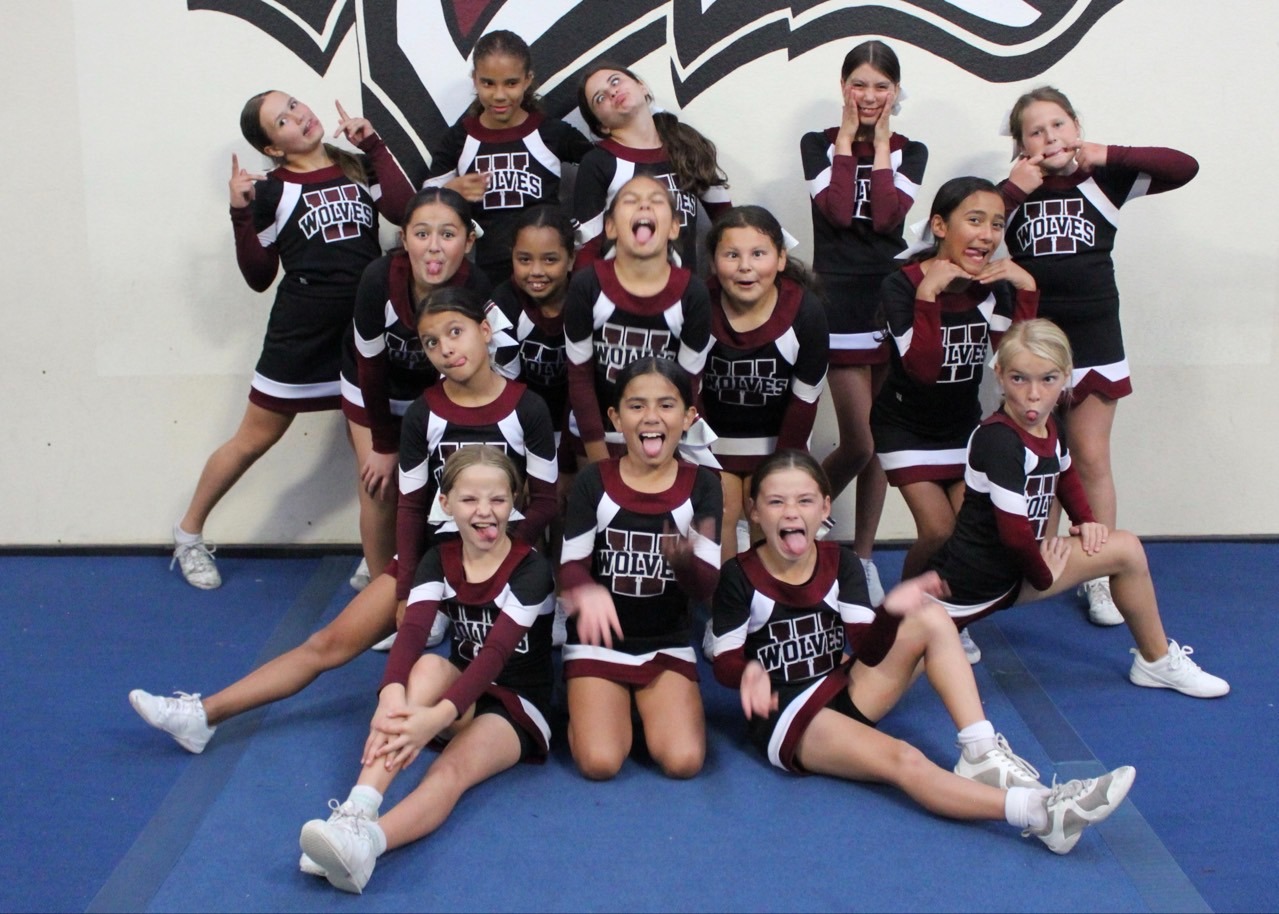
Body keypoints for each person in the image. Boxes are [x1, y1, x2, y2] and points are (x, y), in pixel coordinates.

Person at [129, 289, 558, 753]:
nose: (446, 349)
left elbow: (546, 501)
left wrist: (504, 560)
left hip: (501, 563)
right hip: (437, 560)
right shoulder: (425, 412)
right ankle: (203, 715)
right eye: (431, 342)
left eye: (456, 332)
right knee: (326, 643)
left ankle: (477, 730)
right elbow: (412, 507)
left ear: (485, 331)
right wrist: (405, 586)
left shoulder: (526, 408)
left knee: (491, 666)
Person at [709, 449, 1136, 854]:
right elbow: (726, 662)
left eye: (804, 501)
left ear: (824, 508)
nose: (790, 512)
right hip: (788, 715)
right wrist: (745, 673)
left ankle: (980, 751)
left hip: (839, 685)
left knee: (931, 616)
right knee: (903, 758)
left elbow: (868, 653)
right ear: (755, 512)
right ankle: (1044, 812)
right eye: (776, 502)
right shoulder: (740, 576)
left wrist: (893, 612)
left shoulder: (840, 563)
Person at [171, 92, 413, 590]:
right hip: (301, 333)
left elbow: (406, 210)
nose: (299, 117)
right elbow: (259, 277)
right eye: (282, 120)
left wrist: (375, 146)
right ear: (273, 147)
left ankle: (378, 559)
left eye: (296, 105)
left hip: (362, 332)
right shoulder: (270, 191)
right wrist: (239, 213)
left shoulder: (355, 167)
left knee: (372, 456)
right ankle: (188, 533)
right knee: (253, 439)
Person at [297, 446, 555, 894]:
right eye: (470, 499)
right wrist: (390, 695)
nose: (485, 512)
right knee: (428, 666)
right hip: (461, 689)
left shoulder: (531, 570)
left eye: (497, 499)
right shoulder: (439, 557)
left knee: (449, 773)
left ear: (515, 501)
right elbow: (413, 631)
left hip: (517, 705)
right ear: (446, 503)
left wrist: (435, 718)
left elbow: (494, 654)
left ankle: (368, 846)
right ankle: (360, 807)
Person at [927, 319, 1229, 698]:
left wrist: (1086, 520)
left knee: (1127, 550)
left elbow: (1066, 474)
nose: (1034, 395)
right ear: (999, 375)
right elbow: (1014, 534)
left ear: (1067, 376)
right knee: (880, 683)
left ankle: (1156, 662)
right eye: (1020, 379)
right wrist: (1043, 576)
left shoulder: (1051, 426)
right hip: (978, 581)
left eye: (1048, 379)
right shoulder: (998, 440)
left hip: (1015, 570)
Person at [999, 86, 1198, 625]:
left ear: (1076, 127)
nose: (1049, 138)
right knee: (1039, 455)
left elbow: (1184, 166)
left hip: (1095, 341)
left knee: (1088, 457)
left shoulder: (1103, 181)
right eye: (1035, 132)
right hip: (1036, 342)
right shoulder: (1014, 193)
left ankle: (1104, 574)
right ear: (1021, 145)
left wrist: (1108, 153)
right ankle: (1040, 557)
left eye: (1058, 125)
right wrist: (1011, 190)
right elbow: (963, 226)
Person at [870, 176, 1037, 660]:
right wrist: (928, 297)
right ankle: (902, 614)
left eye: (997, 224)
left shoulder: (992, 290)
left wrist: (1026, 291)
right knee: (939, 531)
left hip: (962, 427)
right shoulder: (900, 285)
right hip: (905, 427)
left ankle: (948, 610)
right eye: (975, 220)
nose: (987, 235)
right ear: (940, 226)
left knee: (970, 530)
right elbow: (923, 370)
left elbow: (1016, 364)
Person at [800, 40, 928, 602]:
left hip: (891, 297)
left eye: (881, 86)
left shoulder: (911, 151)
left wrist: (876, 145)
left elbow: (882, 217)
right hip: (837, 301)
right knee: (860, 440)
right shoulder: (816, 145)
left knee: (885, 443)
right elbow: (832, 211)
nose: (870, 95)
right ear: (843, 87)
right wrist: (853, 140)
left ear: (896, 92)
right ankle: (791, 520)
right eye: (860, 85)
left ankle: (866, 557)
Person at [559, 357, 722, 780]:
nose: (651, 417)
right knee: (600, 763)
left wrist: (685, 566)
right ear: (615, 417)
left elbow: (707, 586)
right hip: (600, 643)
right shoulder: (593, 481)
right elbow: (571, 569)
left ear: (688, 416)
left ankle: (638, 706)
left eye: (666, 405)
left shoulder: (702, 485)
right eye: (636, 406)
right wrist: (586, 591)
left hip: (665, 641)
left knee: (684, 762)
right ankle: (597, 707)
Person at [342, 188, 492, 592]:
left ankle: (433, 580)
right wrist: (385, 445)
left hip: (435, 395)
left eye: (448, 234)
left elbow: (481, 368)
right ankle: (381, 592)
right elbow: (369, 367)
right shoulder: (378, 279)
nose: (434, 248)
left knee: (441, 486)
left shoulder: (477, 287)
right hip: (372, 388)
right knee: (379, 485)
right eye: (422, 234)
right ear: (404, 238)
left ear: (469, 240)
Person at [700, 205, 829, 563]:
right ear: (713, 262)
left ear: (782, 258)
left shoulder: (806, 312)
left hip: (779, 442)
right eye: (731, 255)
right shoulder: (699, 303)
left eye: (758, 254)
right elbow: (689, 393)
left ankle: (766, 603)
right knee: (721, 507)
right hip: (710, 442)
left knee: (770, 508)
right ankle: (723, 610)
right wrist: (706, 462)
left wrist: (779, 472)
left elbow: (805, 402)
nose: (745, 266)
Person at [423, 30, 592, 285]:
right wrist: (449, 191)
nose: (499, 95)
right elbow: (423, 206)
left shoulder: (552, 132)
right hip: (489, 276)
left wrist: (579, 228)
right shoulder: (460, 137)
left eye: (511, 83)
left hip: (548, 275)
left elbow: (606, 168)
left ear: (527, 80)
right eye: (488, 83)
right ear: (475, 80)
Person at [565, 175, 713, 464]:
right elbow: (579, 377)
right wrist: (598, 459)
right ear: (610, 226)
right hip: (598, 434)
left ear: (673, 227)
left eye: (656, 201)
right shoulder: (586, 285)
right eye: (631, 201)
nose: (644, 205)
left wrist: (667, 448)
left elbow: (689, 382)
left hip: (666, 435)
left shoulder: (693, 292)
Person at [573, 61, 731, 274]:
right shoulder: (598, 163)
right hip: (623, 297)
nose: (612, 92)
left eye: (615, 81)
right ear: (602, 125)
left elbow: (726, 221)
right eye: (600, 98)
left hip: (685, 294)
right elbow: (587, 248)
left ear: (641, 86)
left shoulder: (685, 142)